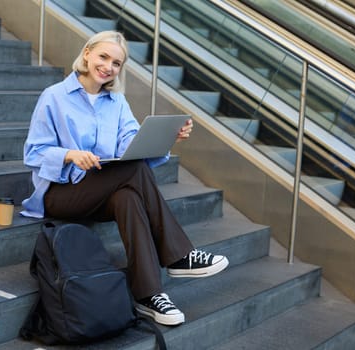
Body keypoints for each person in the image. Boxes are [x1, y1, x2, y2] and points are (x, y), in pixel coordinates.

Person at [21, 30, 229, 326]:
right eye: (103, 57)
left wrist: (168, 139)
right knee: (132, 172)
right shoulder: (54, 97)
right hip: (61, 192)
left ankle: (149, 295)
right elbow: (34, 152)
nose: (108, 66)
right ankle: (179, 256)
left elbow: (130, 146)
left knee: (128, 197)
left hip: (104, 190)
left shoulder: (116, 103)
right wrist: (70, 155)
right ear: (87, 53)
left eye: (116, 63)